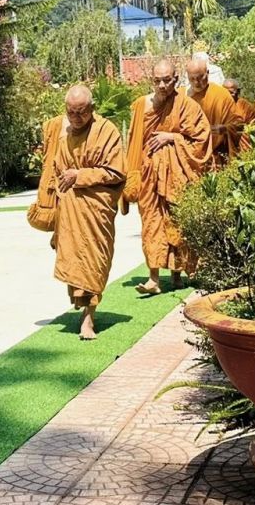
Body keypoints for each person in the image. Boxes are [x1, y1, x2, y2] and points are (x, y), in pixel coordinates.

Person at [36, 85, 126, 340]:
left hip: (96, 209)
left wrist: (80, 175)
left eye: (81, 112)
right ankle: (82, 306)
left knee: (94, 261)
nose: (76, 118)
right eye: (71, 112)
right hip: (70, 210)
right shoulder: (63, 134)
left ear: (92, 109)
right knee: (77, 262)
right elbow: (56, 170)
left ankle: (89, 318)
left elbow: (116, 172)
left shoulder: (106, 131)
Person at [124, 59, 211, 296]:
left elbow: (201, 139)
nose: (162, 85)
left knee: (176, 222)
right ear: (151, 81)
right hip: (149, 175)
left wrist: (172, 137)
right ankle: (153, 278)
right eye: (157, 81)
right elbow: (133, 142)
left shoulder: (187, 105)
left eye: (166, 80)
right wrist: (131, 174)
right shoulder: (141, 105)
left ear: (176, 80)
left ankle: (176, 274)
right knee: (151, 223)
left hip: (177, 175)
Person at [186, 56, 235, 167]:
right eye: (192, 79)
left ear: (207, 73)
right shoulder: (183, 96)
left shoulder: (222, 95)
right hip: (190, 154)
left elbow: (238, 125)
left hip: (217, 154)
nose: (196, 82)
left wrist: (224, 128)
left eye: (200, 77)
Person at [222, 78, 255, 159]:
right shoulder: (219, 105)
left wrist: (241, 130)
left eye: (231, 92)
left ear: (238, 91)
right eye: (225, 92)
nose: (228, 95)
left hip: (242, 144)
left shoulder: (245, 106)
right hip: (224, 145)